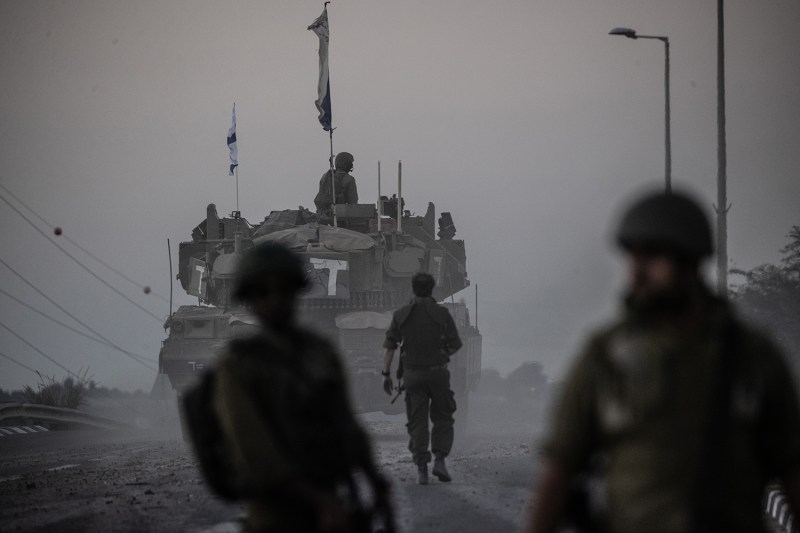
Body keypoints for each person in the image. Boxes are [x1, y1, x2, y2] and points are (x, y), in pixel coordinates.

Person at [525, 190, 800, 533]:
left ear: (690, 262)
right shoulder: (607, 356)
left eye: (652, 257)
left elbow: (791, 466)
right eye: (633, 257)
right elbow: (559, 469)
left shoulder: (754, 358)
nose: (636, 272)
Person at [209, 243, 392, 532]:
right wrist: (320, 501)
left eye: (284, 290)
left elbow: (346, 425)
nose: (275, 300)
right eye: (263, 292)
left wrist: (374, 481)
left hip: (333, 499)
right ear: (250, 299)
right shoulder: (238, 365)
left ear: (297, 292)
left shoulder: (319, 352)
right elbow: (256, 453)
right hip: (275, 513)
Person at [382, 272, 463, 485]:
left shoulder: (401, 315)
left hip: (412, 375)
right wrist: (442, 354)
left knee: (417, 422)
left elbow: (390, 348)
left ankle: (421, 469)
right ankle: (439, 460)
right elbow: (456, 344)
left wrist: (385, 374)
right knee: (443, 418)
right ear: (432, 289)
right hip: (438, 373)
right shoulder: (442, 313)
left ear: (413, 288)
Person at [314, 151, 359, 220]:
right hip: (340, 217)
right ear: (348, 165)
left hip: (322, 216)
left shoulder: (325, 177)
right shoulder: (349, 179)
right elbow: (353, 203)